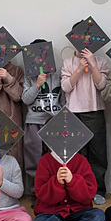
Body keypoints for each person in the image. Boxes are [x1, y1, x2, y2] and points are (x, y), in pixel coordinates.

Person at [32, 150, 106, 221]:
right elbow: (41, 194)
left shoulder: (81, 161)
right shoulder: (45, 161)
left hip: (78, 213)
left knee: (98, 216)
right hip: (52, 214)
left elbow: (88, 194)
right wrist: (57, 182)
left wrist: (72, 180)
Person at [61, 46, 110, 204]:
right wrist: (80, 68)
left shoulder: (100, 61)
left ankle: (98, 190)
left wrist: (92, 64)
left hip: (95, 111)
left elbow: (101, 85)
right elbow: (65, 87)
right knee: (77, 154)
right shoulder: (68, 62)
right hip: (73, 112)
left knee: (98, 153)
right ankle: (78, 190)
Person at [21, 39, 64, 205]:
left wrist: (61, 118)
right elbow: (25, 99)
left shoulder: (57, 76)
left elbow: (64, 100)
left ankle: (56, 191)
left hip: (54, 122)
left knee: (56, 157)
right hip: (34, 121)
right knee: (33, 158)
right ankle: (36, 193)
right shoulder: (29, 77)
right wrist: (37, 84)